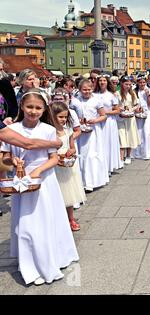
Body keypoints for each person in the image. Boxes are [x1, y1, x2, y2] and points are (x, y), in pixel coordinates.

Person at [1, 89, 79, 285]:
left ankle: (53, 257)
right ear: (21, 106)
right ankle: (30, 264)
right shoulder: (13, 129)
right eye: (29, 107)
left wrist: (37, 172)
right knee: (26, 223)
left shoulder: (48, 130)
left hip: (44, 180)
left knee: (47, 220)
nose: (33, 111)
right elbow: (6, 157)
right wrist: (14, 160)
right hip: (21, 180)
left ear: (44, 109)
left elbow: (54, 158)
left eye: (38, 108)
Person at [51, 102, 86, 232]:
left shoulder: (68, 130)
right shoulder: (50, 132)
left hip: (68, 167)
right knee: (58, 194)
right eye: (60, 117)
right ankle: (58, 220)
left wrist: (71, 152)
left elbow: (72, 147)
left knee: (69, 194)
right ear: (52, 116)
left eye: (65, 117)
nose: (63, 119)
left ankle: (71, 218)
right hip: (55, 167)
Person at [71, 79, 109, 191]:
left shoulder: (96, 100)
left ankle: (92, 181)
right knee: (81, 155)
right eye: (84, 90)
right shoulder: (75, 101)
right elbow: (70, 115)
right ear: (79, 90)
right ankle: (82, 181)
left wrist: (95, 120)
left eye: (89, 89)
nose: (87, 92)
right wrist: (77, 120)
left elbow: (104, 116)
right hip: (80, 131)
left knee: (91, 155)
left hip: (93, 131)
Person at [94, 75, 122, 173]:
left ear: (107, 82)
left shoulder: (111, 95)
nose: (102, 82)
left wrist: (105, 112)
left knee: (108, 143)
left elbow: (118, 110)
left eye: (104, 81)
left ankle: (109, 166)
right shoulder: (94, 95)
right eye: (100, 81)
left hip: (109, 122)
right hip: (97, 121)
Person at [117, 76, 141, 165]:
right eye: (126, 84)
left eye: (129, 85)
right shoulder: (117, 93)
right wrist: (120, 109)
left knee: (130, 136)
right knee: (121, 137)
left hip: (130, 118)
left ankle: (128, 155)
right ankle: (120, 157)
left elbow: (137, 104)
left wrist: (132, 109)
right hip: (121, 118)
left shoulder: (132, 94)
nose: (128, 86)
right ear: (122, 84)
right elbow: (115, 105)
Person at [132, 77, 150, 160]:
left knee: (147, 132)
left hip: (147, 113)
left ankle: (148, 152)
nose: (142, 84)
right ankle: (137, 152)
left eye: (143, 82)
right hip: (138, 114)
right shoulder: (134, 92)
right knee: (138, 132)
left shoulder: (148, 91)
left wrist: (148, 95)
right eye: (140, 82)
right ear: (137, 83)